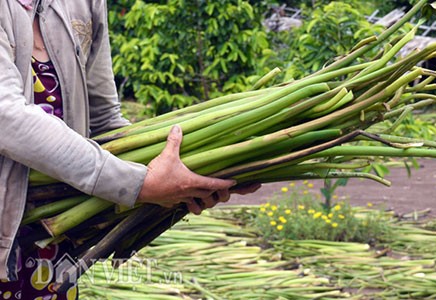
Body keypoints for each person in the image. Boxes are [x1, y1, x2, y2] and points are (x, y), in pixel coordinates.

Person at [0, 0, 259, 298]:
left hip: (51, 245)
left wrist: (204, 171)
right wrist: (138, 184)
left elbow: (104, 119)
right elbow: (6, 117)